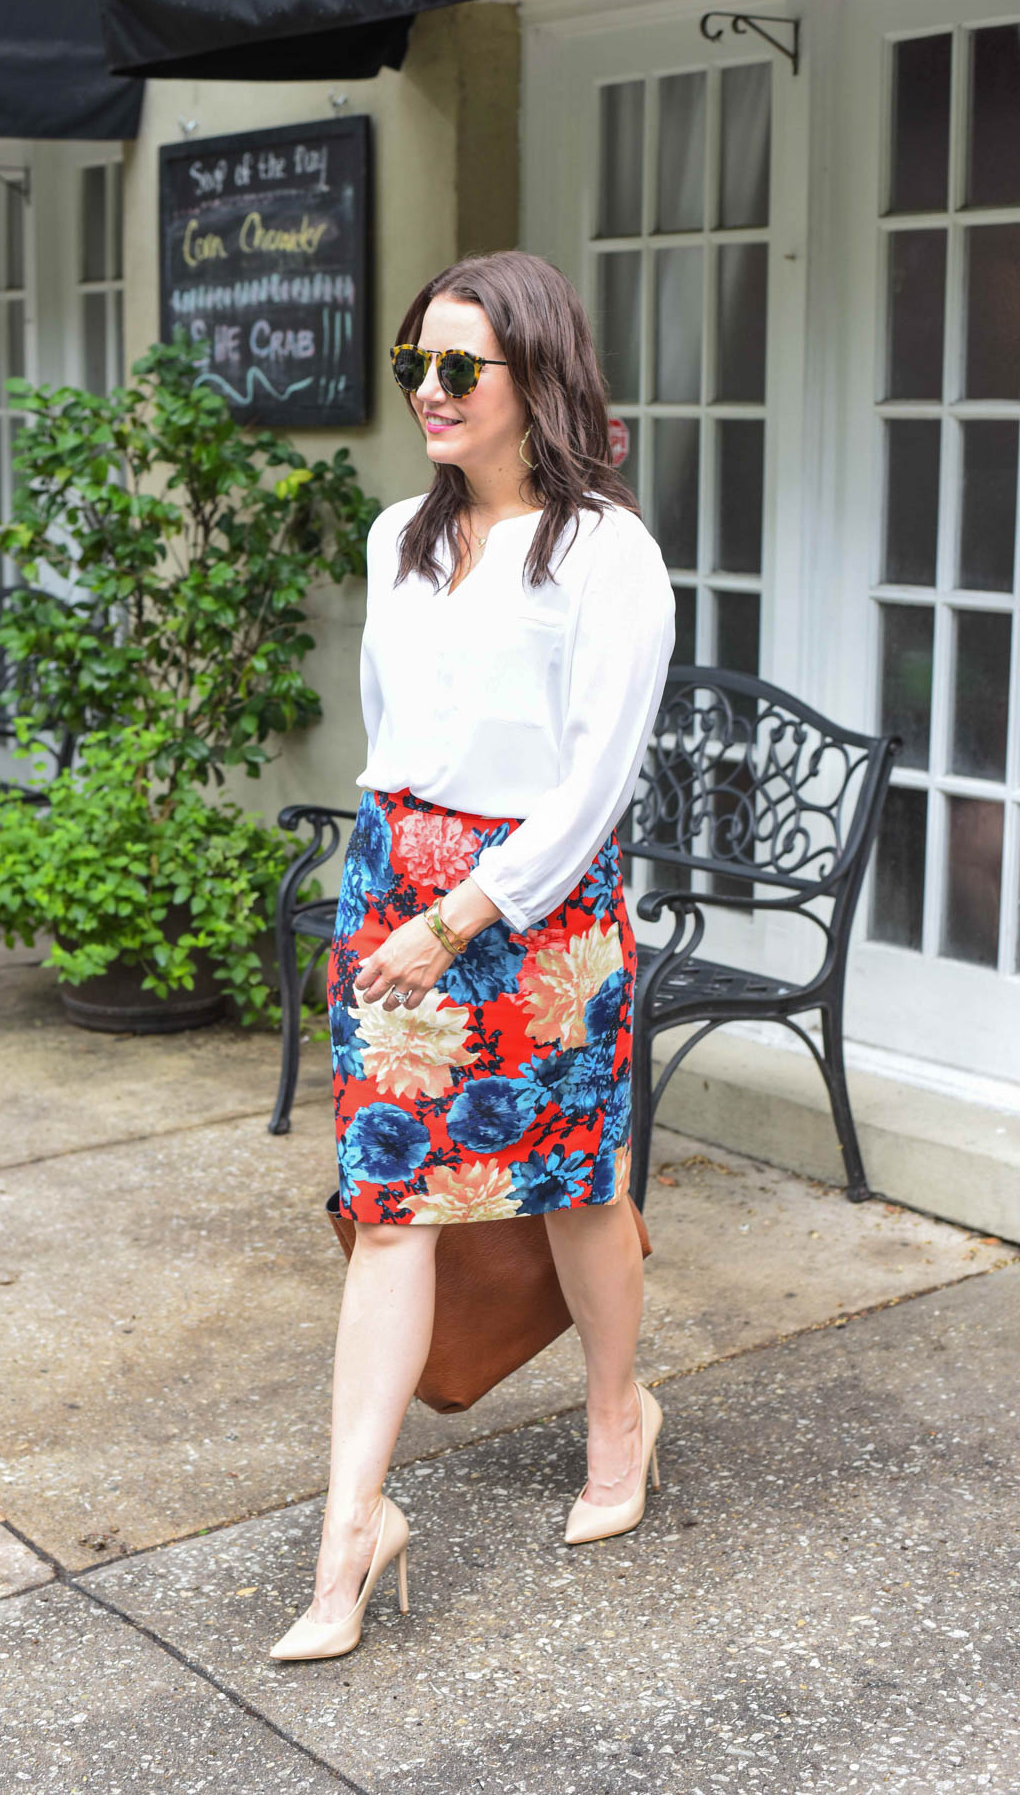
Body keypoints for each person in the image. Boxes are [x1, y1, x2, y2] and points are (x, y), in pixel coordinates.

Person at [270, 249, 676, 1663]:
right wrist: (398, 900)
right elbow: (393, 733)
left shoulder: (605, 550)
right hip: (396, 894)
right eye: (413, 367)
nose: (428, 393)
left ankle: (618, 1415)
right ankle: (351, 1532)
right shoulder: (396, 537)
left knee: (573, 1187)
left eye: (459, 369)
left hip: (538, 912)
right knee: (390, 1207)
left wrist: (465, 912)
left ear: (536, 379)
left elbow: (592, 782)